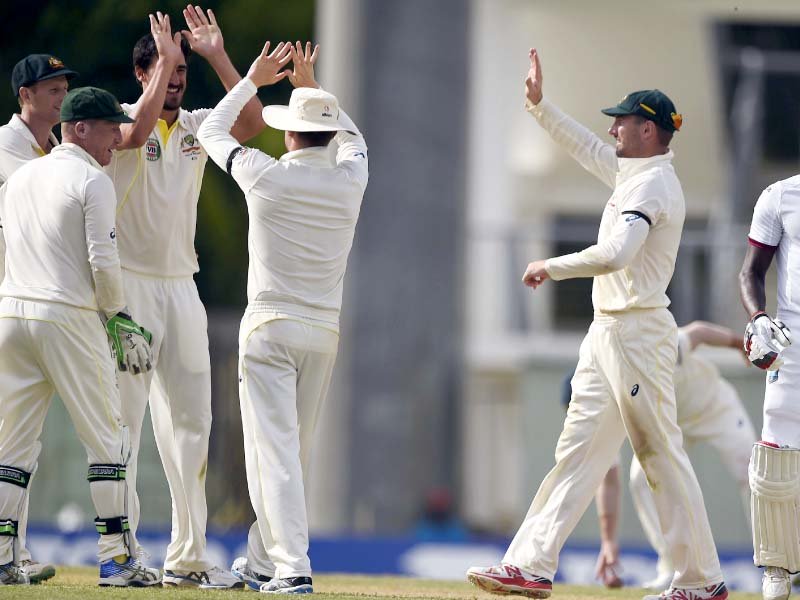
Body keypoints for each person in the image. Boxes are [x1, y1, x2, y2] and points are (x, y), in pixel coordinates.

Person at [466, 48, 729, 600]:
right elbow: (586, 145)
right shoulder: (633, 173)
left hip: (638, 333)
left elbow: (616, 254)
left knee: (659, 452)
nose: (612, 127)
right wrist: (539, 108)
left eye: (624, 120)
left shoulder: (654, 186)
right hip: (605, 331)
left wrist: (550, 266)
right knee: (578, 452)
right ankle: (531, 565)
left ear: (650, 130)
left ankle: (701, 580)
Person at [197, 40, 368, 593]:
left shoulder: (264, 175)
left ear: (289, 134)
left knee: (273, 456)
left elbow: (210, 133)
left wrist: (251, 80)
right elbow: (355, 139)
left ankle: (292, 567)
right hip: (323, 331)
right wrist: (311, 91)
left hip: (270, 326)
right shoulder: (351, 180)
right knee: (292, 453)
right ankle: (265, 561)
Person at [104, 7, 264, 588]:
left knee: (193, 419)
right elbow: (135, 135)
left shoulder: (198, 126)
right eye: (166, 73)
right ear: (143, 72)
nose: (175, 84)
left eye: (180, 77)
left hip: (181, 287)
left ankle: (188, 557)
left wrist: (216, 55)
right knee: (123, 425)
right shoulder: (118, 119)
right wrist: (165, 64)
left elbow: (249, 122)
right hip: (130, 288)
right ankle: (119, 554)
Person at [0, 86, 159, 587]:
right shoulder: (92, 180)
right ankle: (116, 558)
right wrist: (118, 315)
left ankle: (3, 557)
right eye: (110, 127)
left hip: (11, 314)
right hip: (66, 316)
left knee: (11, 447)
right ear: (79, 128)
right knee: (109, 437)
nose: (119, 137)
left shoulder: (21, 176)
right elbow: (103, 261)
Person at [587, 321, 756, 591]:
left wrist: (739, 344)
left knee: (752, 472)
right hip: (671, 425)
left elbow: (699, 332)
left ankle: (779, 561)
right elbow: (608, 476)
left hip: (715, 407)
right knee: (641, 482)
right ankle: (673, 566)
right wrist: (608, 542)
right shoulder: (610, 398)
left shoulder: (657, 348)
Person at [0, 52, 78, 584]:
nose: (60, 94)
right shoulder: (5, 149)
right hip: (10, 302)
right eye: (50, 88)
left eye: (63, 87)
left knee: (22, 439)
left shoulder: (54, 149)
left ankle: (13, 553)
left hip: (30, 307)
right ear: (25, 95)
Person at [739, 171, 800, 600]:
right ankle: (777, 570)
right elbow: (751, 272)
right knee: (774, 461)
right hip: (792, 339)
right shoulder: (780, 196)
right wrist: (759, 320)